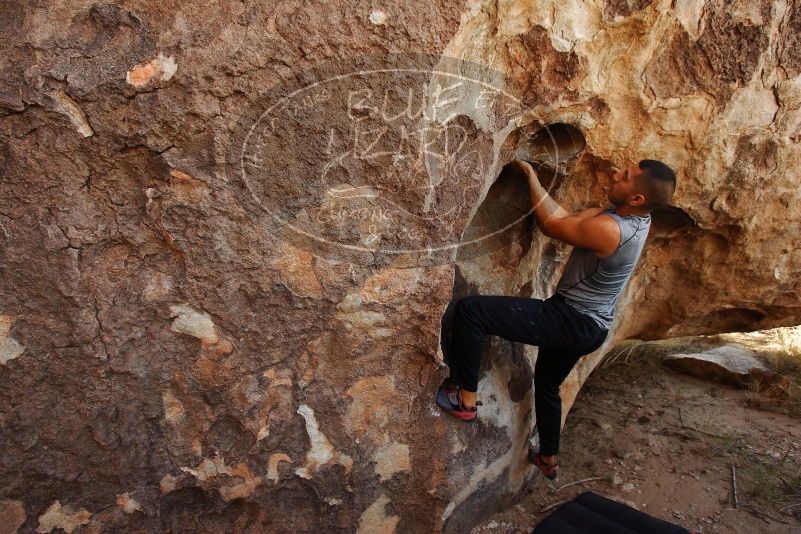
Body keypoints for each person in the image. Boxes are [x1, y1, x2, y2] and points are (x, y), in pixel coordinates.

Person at [436, 158, 677, 480]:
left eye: (626, 176)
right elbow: (566, 218)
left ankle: (464, 399)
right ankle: (548, 457)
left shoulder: (610, 228)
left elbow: (552, 225)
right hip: (593, 326)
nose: (616, 173)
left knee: (472, 310)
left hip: (570, 320)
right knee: (548, 385)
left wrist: (530, 174)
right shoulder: (634, 218)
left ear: (637, 199)